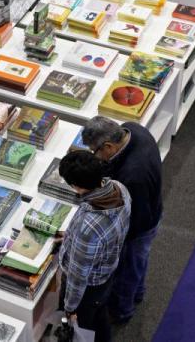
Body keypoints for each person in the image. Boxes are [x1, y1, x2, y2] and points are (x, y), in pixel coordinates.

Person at [81, 116, 162, 324]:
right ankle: (138, 293)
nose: (95, 156)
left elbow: (136, 221)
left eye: (95, 151)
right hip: (152, 207)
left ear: (108, 145)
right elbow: (115, 164)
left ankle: (122, 311)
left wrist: (117, 240)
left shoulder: (133, 176)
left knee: (128, 269)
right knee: (139, 263)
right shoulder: (132, 129)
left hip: (140, 226)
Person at [58, 150, 131, 342]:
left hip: (89, 289)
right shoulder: (119, 188)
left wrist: (70, 307)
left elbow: (78, 275)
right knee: (100, 316)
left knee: (84, 328)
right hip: (107, 271)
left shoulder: (88, 229)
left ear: (77, 186)